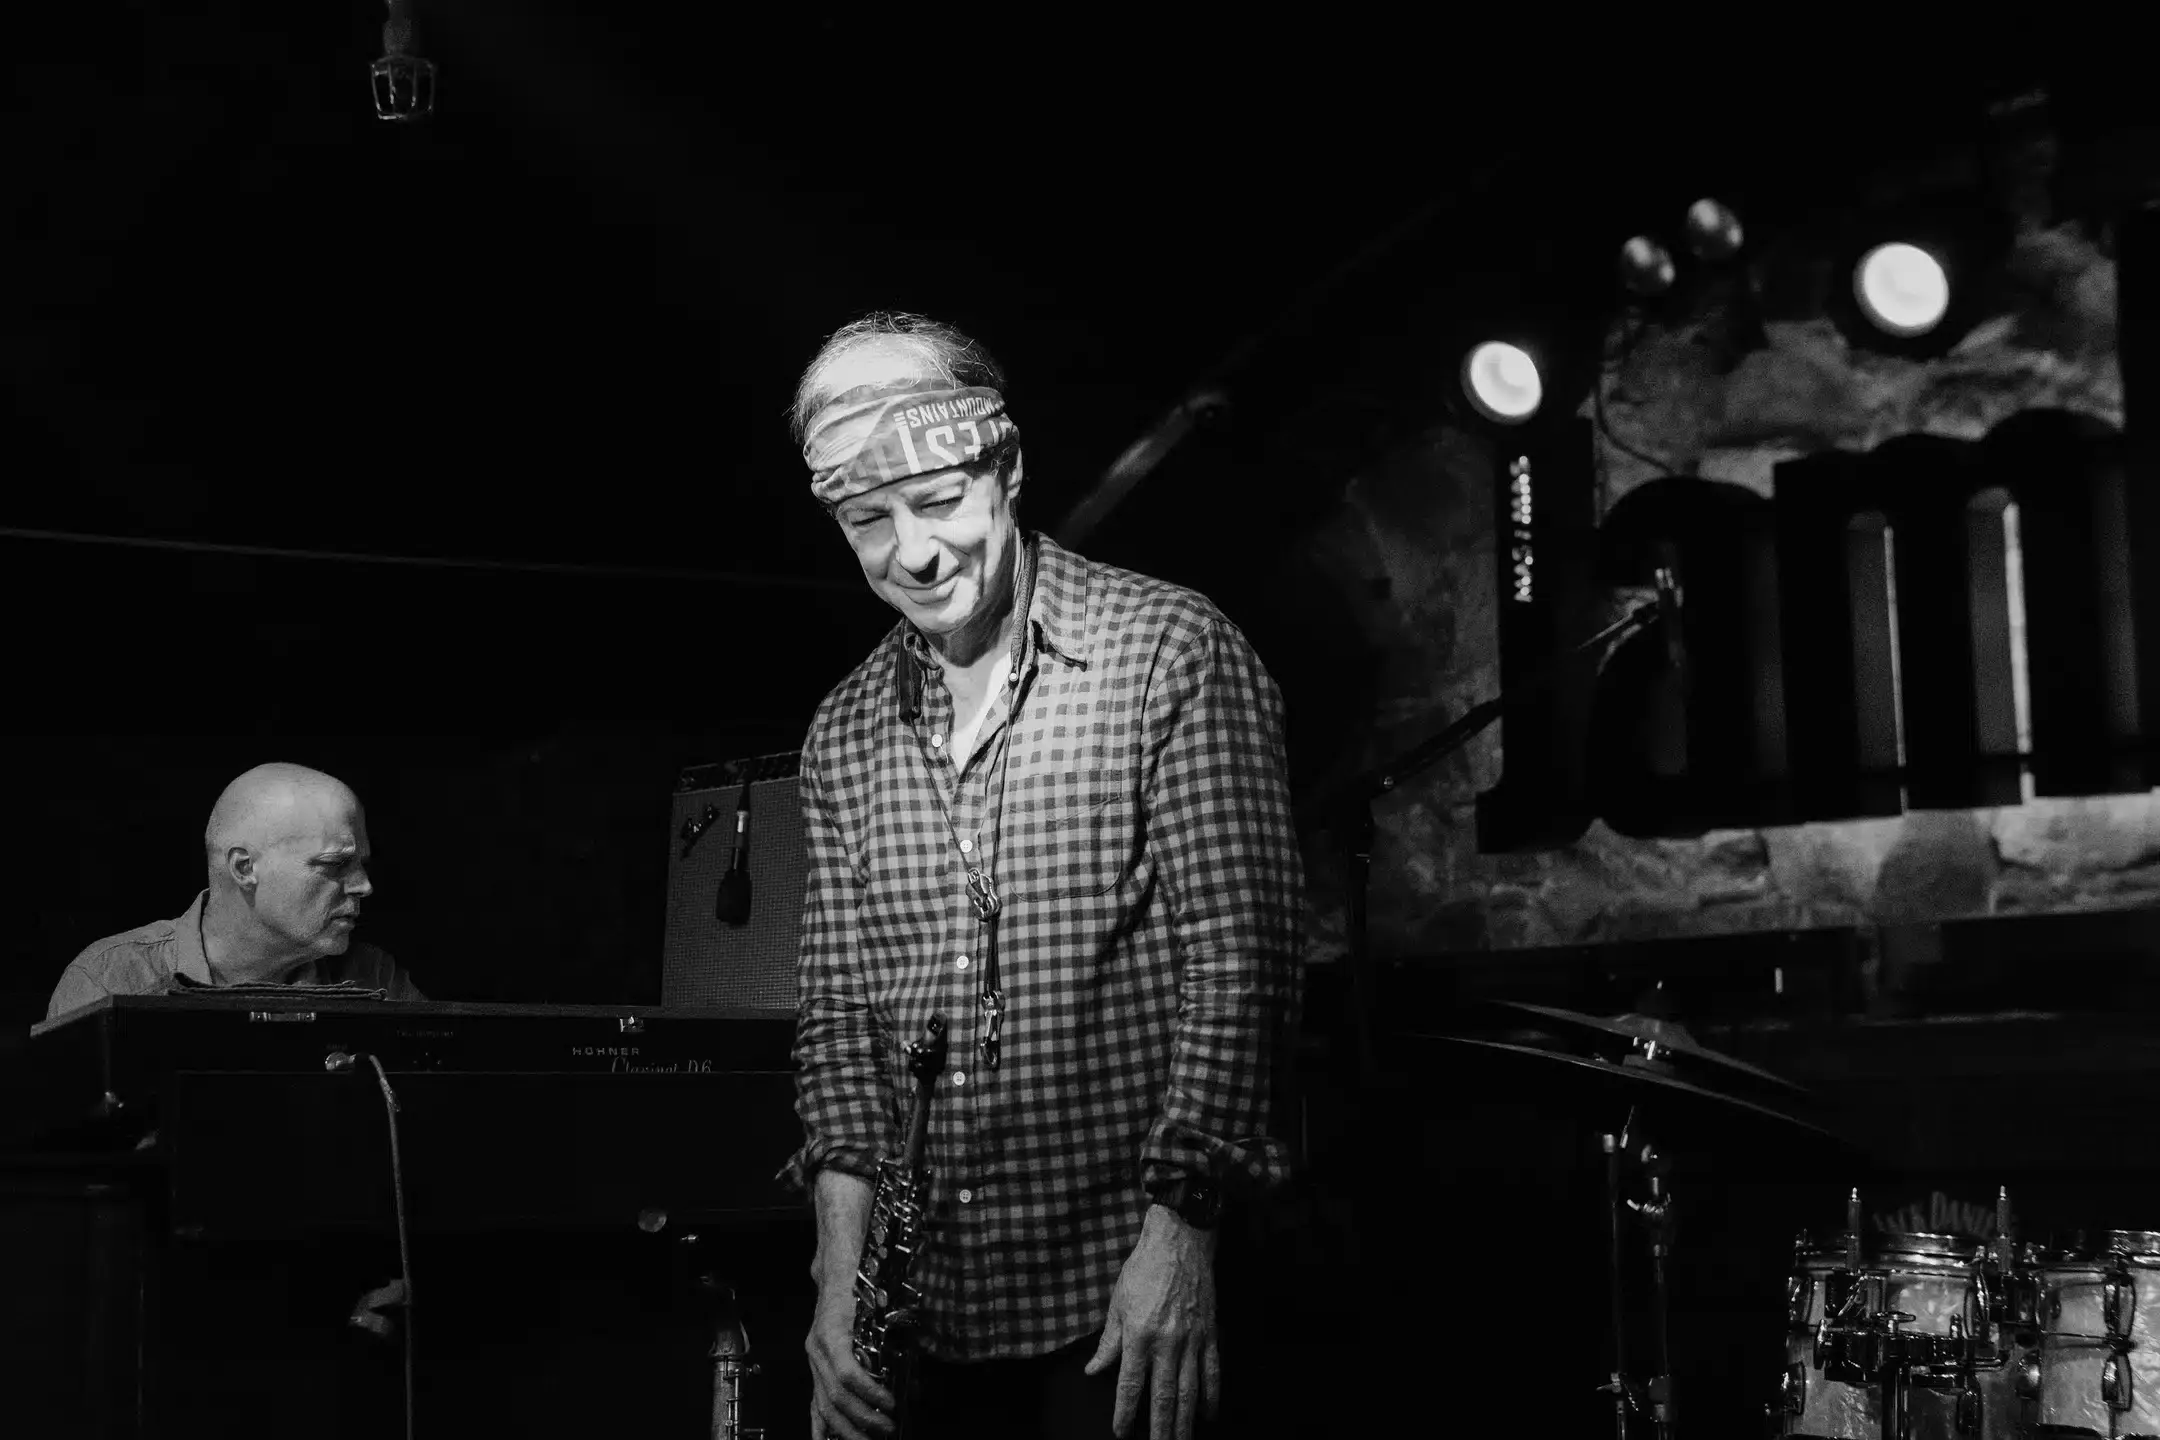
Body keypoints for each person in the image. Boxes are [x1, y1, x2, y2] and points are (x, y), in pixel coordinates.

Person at [780, 313, 1303, 1440]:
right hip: (928, 1321)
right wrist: (836, 1285)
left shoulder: (1168, 650)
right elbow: (838, 1028)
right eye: (869, 522)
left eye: (938, 501)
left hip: (1122, 1309)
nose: (914, 553)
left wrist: (1182, 1239)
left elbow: (1240, 966)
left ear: (1006, 469)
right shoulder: (840, 734)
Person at [46, 762, 423, 1019]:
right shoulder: (111, 980)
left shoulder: (374, 979)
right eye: (335, 864)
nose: (363, 886)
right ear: (244, 868)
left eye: (362, 865)